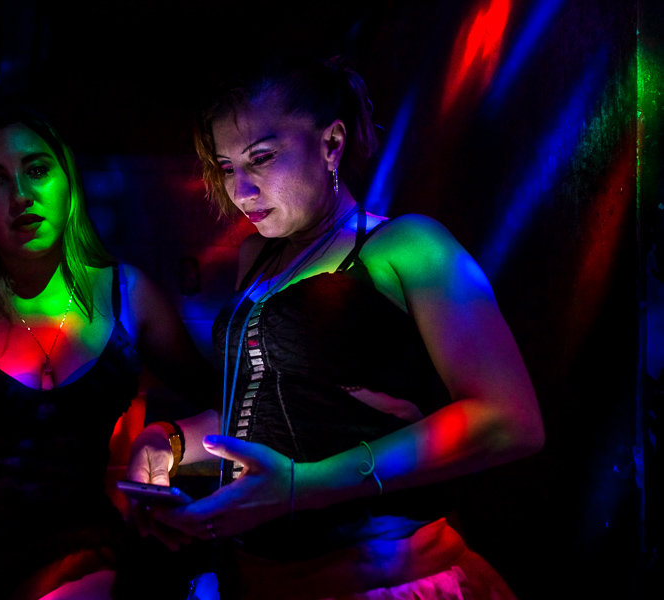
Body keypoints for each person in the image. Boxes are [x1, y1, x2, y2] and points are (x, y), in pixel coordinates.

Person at [126, 57, 545, 599]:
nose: (242, 191)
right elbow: (270, 404)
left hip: (385, 579)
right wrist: (172, 441)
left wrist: (304, 486)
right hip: (257, 580)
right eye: (228, 168)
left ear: (331, 144)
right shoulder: (256, 256)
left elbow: (510, 421)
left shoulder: (407, 246)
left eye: (263, 158)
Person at [0, 107, 217, 600]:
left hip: (81, 553)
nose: (20, 195)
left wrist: (166, 439)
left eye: (36, 169)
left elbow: (231, 402)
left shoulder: (125, 294)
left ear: (67, 181)